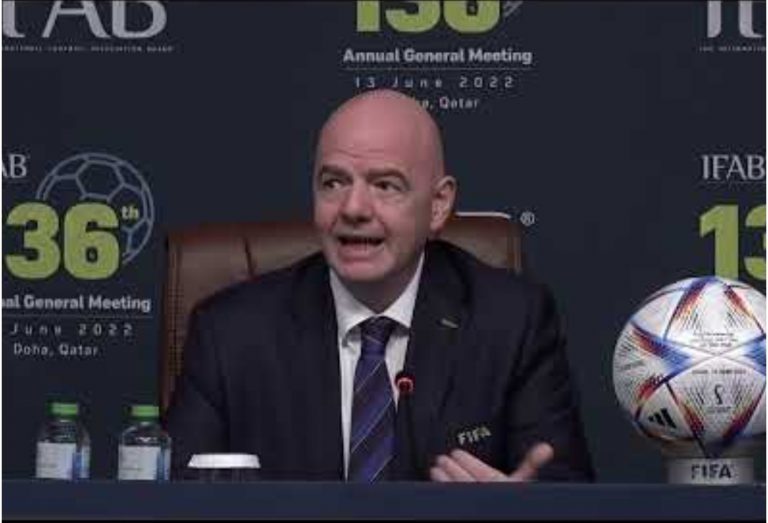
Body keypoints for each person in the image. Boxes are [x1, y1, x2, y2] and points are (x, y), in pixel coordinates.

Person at [165, 89, 594, 482]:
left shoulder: (513, 322)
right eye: (333, 183)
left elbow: (565, 494)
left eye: (385, 185)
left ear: (438, 205)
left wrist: (518, 514)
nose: (353, 208)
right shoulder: (230, 333)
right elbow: (172, 504)